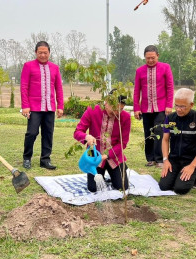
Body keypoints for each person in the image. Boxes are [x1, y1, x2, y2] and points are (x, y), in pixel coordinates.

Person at [74, 92, 131, 192]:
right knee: (93, 188)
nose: (116, 112)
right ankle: (102, 175)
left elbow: (123, 143)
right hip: (95, 156)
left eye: (120, 109)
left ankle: (117, 172)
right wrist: (86, 137)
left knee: (122, 187)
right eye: (114, 108)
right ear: (106, 102)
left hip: (114, 156)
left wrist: (106, 156)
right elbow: (77, 132)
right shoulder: (92, 110)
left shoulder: (125, 117)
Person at [20, 41, 64, 170]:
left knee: (48, 134)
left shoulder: (55, 68)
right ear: (35, 52)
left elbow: (59, 88)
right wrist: (25, 106)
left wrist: (60, 106)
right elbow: (24, 87)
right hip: (34, 107)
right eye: (40, 52)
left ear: (49, 53)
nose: (43, 55)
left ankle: (45, 159)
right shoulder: (28, 66)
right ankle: (27, 158)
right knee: (32, 133)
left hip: (49, 107)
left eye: (45, 53)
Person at [159, 88, 196, 195]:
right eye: (176, 105)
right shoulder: (170, 118)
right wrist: (165, 160)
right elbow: (165, 139)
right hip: (174, 159)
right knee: (164, 186)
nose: (178, 109)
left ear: (191, 105)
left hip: (191, 160)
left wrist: (192, 165)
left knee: (180, 189)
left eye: (182, 106)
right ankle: (178, 172)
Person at [134, 45, 174, 168]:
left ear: (157, 55)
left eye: (152, 58)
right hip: (146, 108)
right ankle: (150, 158)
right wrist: (136, 108)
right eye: (147, 58)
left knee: (159, 131)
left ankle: (160, 159)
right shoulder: (139, 71)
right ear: (144, 58)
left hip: (161, 107)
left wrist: (169, 105)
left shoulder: (165, 67)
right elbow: (137, 90)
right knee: (148, 132)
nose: (150, 60)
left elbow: (170, 87)